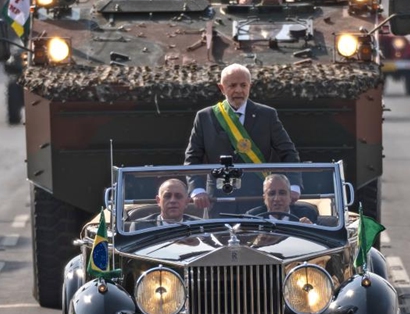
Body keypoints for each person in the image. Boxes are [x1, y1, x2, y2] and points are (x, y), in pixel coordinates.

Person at [184, 63, 301, 210]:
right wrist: (197, 190)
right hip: (219, 199)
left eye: (243, 85)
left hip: (258, 198)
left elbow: (288, 152)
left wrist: (294, 184)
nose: (238, 90)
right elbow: (192, 158)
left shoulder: (267, 115)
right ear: (221, 88)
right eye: (232, 85)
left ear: (249, 87)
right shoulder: (205, 117)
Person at [131, 179, 200, 230]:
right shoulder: (140, 227)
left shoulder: (199, 226)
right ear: (158, 201)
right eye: (167, 196)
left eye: (178, 196)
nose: (173, 200)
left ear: (187, 202)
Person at [246, 174, 317, 223]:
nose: (277, 199)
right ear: (264, 198)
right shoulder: (253, 217)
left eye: (282, 193)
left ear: (290, 196)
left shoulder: (306, 213)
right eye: (272, 194)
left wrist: (311, 229)